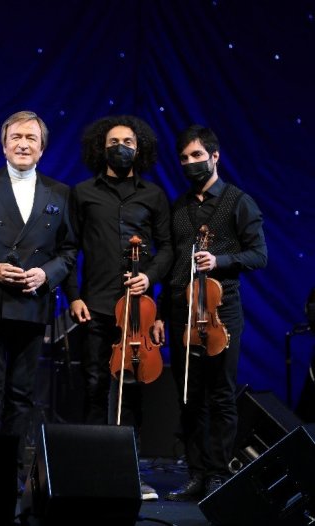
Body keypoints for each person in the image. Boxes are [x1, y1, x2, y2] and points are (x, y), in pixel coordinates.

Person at [0, 110, 77, 483]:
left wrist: (47, 274)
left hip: (32, 304)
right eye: (16, 138)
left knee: (22, 393)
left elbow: (69, 251)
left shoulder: (60, 192)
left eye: (31, 138)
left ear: (42, 149)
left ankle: (14, 475)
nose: (23, 144)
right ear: (4, 146)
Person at [152, 125, 268, 501]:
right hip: (180, 311)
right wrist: (159, 313)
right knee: (189, 395)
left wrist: (220, 260)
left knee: (220, 395)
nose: (190, 163)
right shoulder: (179, 207)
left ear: (215, 156)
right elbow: (172, 264)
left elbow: (259, 255)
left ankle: (218, 474)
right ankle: (196, 473)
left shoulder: (238, 202)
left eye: (197, 156)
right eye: (184, 158)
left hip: (221, 311)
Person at [61, 114, 172, 501]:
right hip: (95, 305)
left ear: (139, 149)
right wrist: (73, 296)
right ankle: (93, 471)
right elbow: (69, 247)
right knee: (94, 387)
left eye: (128, 142)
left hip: (139, 311)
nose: (120, 148)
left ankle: (131, 472)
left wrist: (149, 277)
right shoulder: (82, 192)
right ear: (100, 147)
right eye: (113, 142)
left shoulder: (154, 195)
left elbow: (167, 248)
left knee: (134, 391)